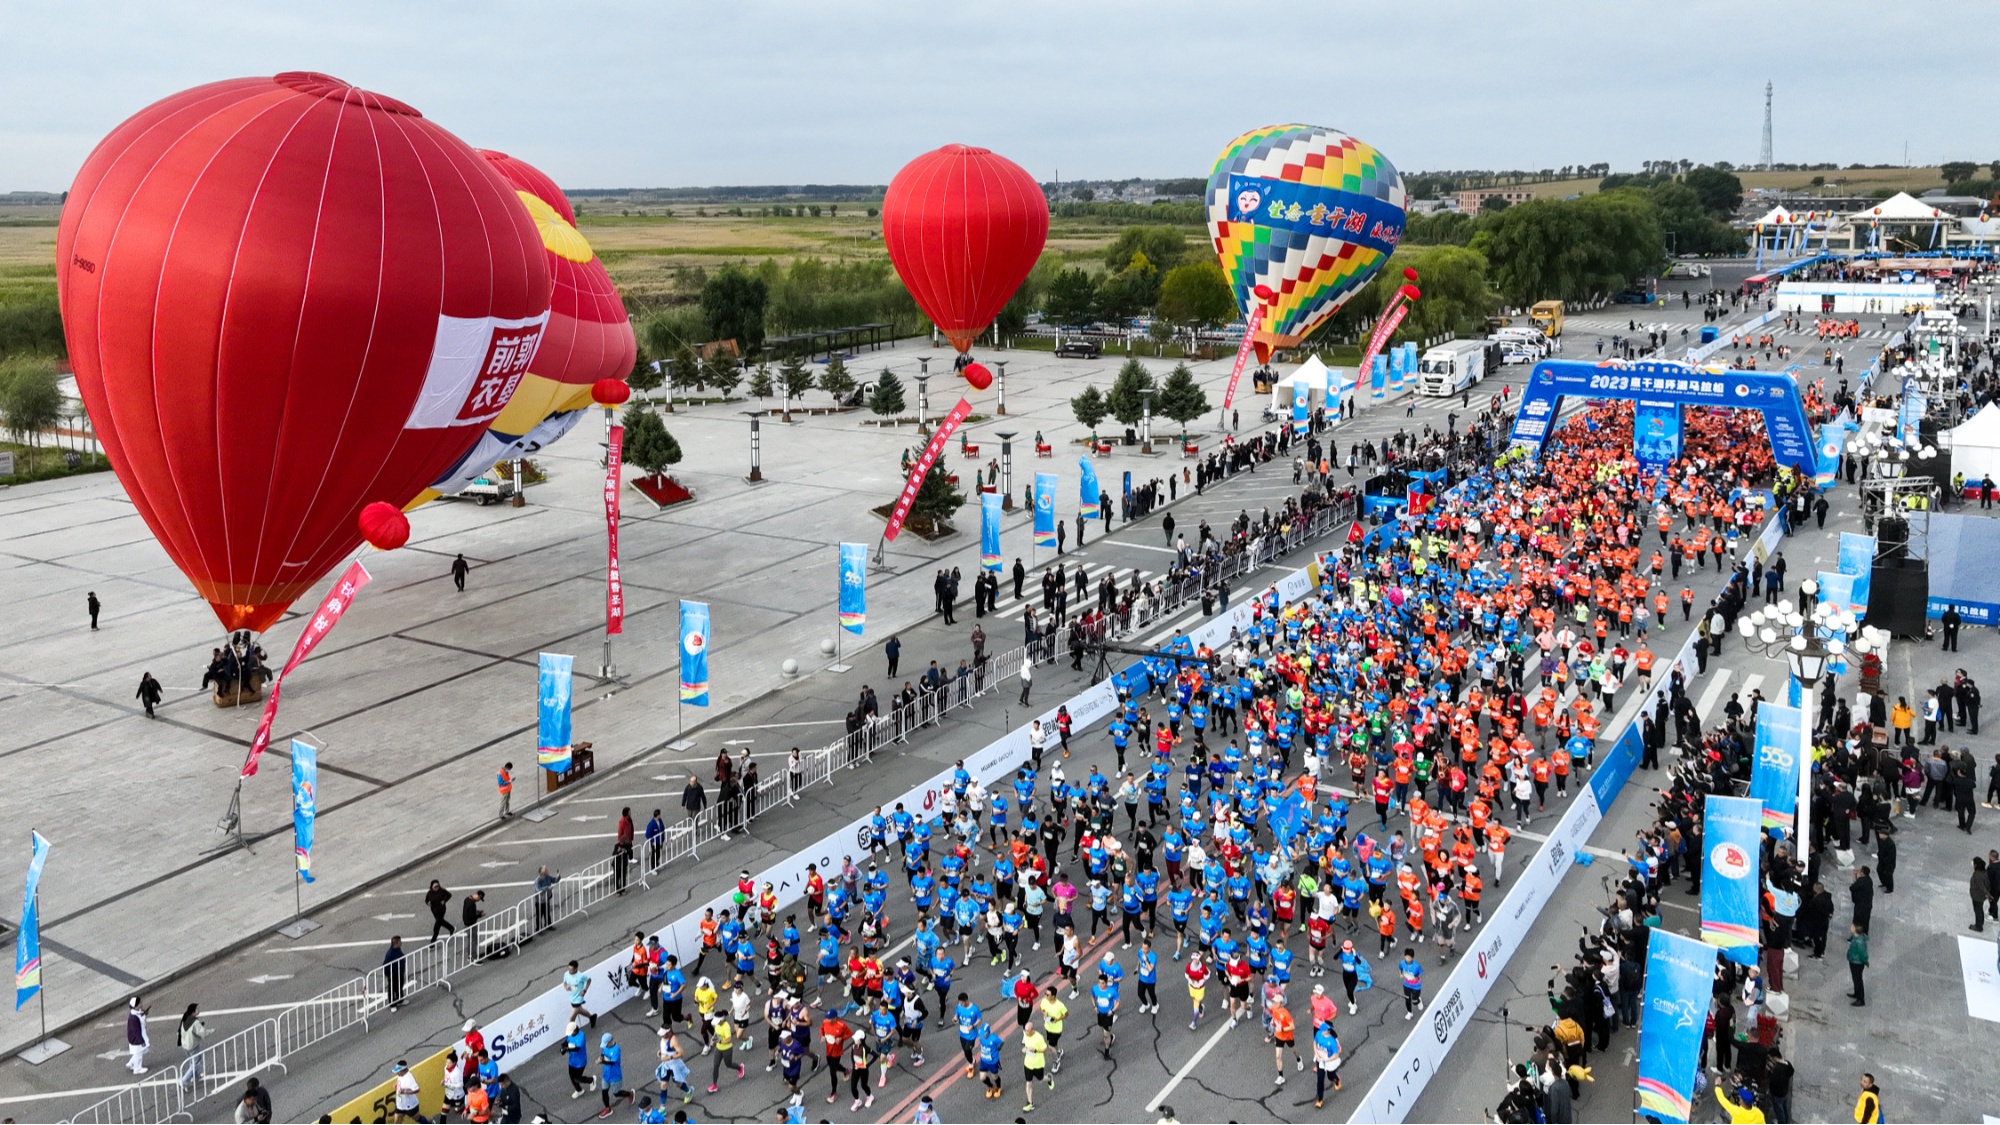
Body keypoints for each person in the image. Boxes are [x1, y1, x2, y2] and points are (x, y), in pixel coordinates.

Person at [175, 1003, 209, 1091]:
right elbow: (201, 1033)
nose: (199, 1010)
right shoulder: (195, 1021)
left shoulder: (185, 1017)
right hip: (192, 1045)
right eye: (197, 1009)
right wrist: (210, 1031)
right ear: (193, 1012)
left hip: (185, 1044)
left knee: (192, 1060)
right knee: (196, 1062)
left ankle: (196, 1076)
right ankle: (184, 1080)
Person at [125, 996, 150, 1074]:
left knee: (139, 1051)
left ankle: (131, 1063)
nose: (141, 1004)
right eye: (139, 1003)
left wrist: (144, 1014)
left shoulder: (135, 1013)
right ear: (135, 1005)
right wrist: (141, 1041)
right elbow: (136, 1030)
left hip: (138, 1036)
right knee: (139, 1052)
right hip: (137, 1038)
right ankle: (137, 1068)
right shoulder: (133, 1017)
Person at [1845, 924, 1868, 1006]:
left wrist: (1865, 961)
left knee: (1858, 979)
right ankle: (1856, 993)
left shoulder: (1859, 941)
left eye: (1852, 927)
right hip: (1854, 961)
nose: (1850, 928)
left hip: (1857, 963)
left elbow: (1863, 954)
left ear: (1855, 930)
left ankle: (1860, 999)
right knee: (1855, 978)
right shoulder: (1856, 938)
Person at [382, 935, 407, 1009]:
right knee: (392, 989)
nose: (401, 942)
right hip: (393, 974)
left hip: (399, 972)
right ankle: (392, 1004)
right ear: (397, 943)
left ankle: (400, 1000)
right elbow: (386, 965)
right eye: (400, 941)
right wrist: (389, 975)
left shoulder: (398, 949)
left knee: (400, 986)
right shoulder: (390, 954)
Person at [425, 879, 454, 944]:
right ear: (432, 887)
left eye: (438, 886)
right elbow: (426, 900)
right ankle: (451, 928)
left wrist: (444, 900)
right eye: (435, 887)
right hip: (434, 910)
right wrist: (428, 903)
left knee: (437, 926)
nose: (437, 888)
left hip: (441, 909)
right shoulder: (429, 893)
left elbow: (449, 895)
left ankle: (433, 941)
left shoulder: (442, 891)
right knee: (441, 921)